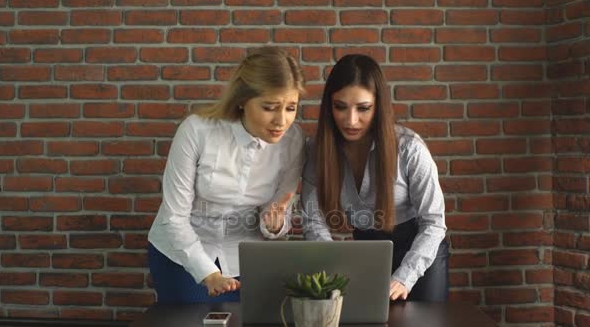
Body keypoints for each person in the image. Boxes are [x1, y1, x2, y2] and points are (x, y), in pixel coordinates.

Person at [147, 47, 306, 304]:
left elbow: (279, 209)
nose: (282, 121)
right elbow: (173, 217)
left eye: (291, 108)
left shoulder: (293, 140)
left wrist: (275, 224)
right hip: (183, 255)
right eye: (269, 107)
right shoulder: (197, 130)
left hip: (247, 258)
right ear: (242, 99)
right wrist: (208, 273)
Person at [301, 54, 449, 302]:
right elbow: (312, 221)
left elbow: (434, 223)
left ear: (378, 105)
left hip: (419, 247)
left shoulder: (410, 149)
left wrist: (404, 277)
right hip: (368, 249)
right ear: (329, 106)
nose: (351, 120)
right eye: (340, 107)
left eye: (363, 108)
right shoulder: (317, 151)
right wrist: (330, 264)